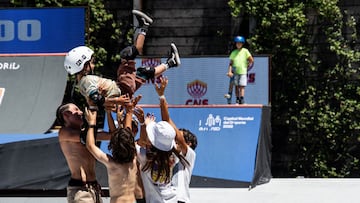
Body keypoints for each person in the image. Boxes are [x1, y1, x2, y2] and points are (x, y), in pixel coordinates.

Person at [64, 10, 181, 109]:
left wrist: (113, 102)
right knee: (127, 55)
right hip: (121, 89)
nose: (94, 64)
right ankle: (144, 26)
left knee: (143, 73)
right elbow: (96, 99)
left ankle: (171, 63)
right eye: (91, 62)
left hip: (124, 90)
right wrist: (117, 101)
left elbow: (94, 100)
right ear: (83, 66)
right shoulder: (86, 80)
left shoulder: (81, 84)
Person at [136, 77, 188, 203]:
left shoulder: (144, 158)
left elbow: (139, 142)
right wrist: (162, 96)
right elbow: (167, 126)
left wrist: (143, 123)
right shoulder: (174, 156)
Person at [84, 95, 142, 203]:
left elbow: (90, 145)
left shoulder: (112, 164)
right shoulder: (133, 160)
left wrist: (91, 124)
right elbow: (127, 135)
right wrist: (129, 111)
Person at [56, 103, 107, 203]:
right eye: (76, 110)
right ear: (66, 115)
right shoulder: (64, 132)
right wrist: (93, 115)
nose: (81, 112)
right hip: (80, 190)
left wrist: (109, 112)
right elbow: (87, 136)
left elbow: (106, 135)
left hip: (93, 188)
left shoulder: (85, 132)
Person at [171, 128, 197, 203]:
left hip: (181, 199)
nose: (175, 141)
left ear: (188, 144)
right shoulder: (170, 154)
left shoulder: (190, 155)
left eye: (178, 139)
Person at [226, 36, 254, 104]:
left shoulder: (245, 51)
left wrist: (247, 65)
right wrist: (229, 71)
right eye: (237, 43)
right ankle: (237, 99)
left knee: (242, 86)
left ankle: (242, 99)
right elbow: (231, 63)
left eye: (240, 43)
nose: (238, 44)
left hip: (243, 72)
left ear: (242, 44)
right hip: (235, 72)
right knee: (236, 86)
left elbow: (251, 59)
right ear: (235, 44)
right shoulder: (234, 52)